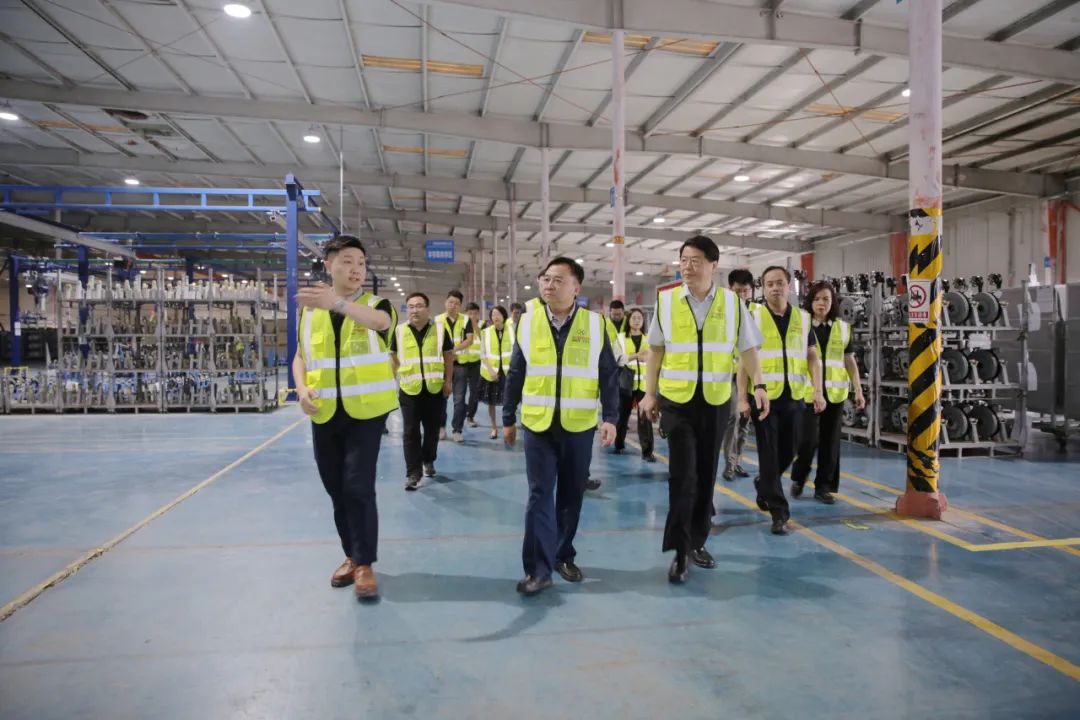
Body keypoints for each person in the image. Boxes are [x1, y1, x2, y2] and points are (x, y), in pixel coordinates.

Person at [641, 235, 769, 584]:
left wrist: (759, 386)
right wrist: (650, 394)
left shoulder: (732, 304)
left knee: (705, 475)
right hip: (677, 402)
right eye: (683, 260)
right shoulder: (666, 302)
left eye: (695, 260)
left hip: (714, 402)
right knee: (683, 476)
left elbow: (748, 349)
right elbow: (656, 350)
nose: (687, 266)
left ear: (714, 264)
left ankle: (698, 540)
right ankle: (680, 551)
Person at [503, 257, 619, 596]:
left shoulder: (595, 325)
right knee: (539, 495)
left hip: (578, 426)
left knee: (571, 495)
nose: (549, 285)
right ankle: (538, 570)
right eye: (545, 279)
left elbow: (608, 373)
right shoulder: (527, 322)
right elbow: (516, 372)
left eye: (558, 280)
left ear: (576, 287)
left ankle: (562, 554)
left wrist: (611, 418)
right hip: (538, 425)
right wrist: (508, 417)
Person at [292, 235, 397, 600]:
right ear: (329, 264)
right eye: (348, 261)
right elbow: (300, 355)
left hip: (365, 413)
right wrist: (301, 388)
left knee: (357, 485)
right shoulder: (310, 312)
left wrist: (336, 303)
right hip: (324, 412)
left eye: (361, 264)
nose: (356, 270)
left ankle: (365, 564)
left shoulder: (376, 304)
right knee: (336, 488)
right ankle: (351, 555)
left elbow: (381, 323)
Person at [737, 266, 825, 536]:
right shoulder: (752, 317)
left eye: (780, 283)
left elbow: (813, 358)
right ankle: (779, 512)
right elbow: (743, 362)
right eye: (769, 284)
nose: (775, 288)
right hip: (764, 397)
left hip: (795, 396)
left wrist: (818, 390)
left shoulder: (803, 318)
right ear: (763, 288)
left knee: (792, 447)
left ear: (789, 286)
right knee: (768, 452)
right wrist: (742, 398)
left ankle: (765, 482)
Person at [790, 281, 865, 504]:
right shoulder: (801, 326)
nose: (821, 303)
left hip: (835, 393)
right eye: (817, 299)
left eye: (826, 299)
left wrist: (858, 389)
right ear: (810, 302)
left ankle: (823, 486)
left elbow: (849, 360)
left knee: (830, 443)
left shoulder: (843, 328)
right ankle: (799, 477)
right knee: (808, 440)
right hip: (808, 393)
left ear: (833, 302)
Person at [389, 292, 454, 491]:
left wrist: (448, 381)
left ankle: (428, 459)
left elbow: (448, 357)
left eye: (418, 306)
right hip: (409, 389)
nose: (414, 310)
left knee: (432, 430)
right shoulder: (399, 331)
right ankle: (413, 473)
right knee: (410, 432)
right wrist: (394, 380)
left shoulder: (440, 330)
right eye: (410, 306)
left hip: (434, 389)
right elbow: (393, 357)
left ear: (427, 309)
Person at [721, 269, 756, 481]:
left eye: (745, 291)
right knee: (733, 418)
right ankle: (730, 464)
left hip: (754, 374)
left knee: (745, 421)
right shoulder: (724, 313)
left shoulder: (758, 312)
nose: (742, 295)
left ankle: (738, 460)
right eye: (737, 291)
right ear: (730, 289)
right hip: (733, 374)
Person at [613, 307, 654, 461]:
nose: (637, 320)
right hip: (626, 382)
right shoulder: (620, 339)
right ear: (628, 320)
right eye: (634, 318)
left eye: (639, 318)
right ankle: (619, 444)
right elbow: (616, 358)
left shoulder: (649, 339)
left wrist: (649, 357)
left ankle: (647, 452)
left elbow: (655, 360)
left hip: (643, 384)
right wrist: (636, 355)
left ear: (643, 321)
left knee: (645, 418)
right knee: (622, 416)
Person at [435, 291, 475, 442]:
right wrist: (446, 354)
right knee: (441, 398)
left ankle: (457, 429)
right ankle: (441, 427)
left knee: (459, 399)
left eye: (457, 303)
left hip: (460, 364)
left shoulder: (466, 320)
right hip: (442, 364)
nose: (453, 305)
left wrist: (453, 350)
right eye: (450, 302)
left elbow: (469, 339)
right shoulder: (437, 320)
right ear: (445, 303)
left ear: (460, 306)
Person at [480, 305, 513, 440]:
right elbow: (482, 354)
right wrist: (491, 371)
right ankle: (494, 427)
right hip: (491, 372)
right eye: (493, 314)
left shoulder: (512, 330)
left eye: (498, 314)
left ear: (504, 316)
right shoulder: (486, 332)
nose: (495, 317)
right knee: (491, 402)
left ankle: (507, 427)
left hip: (508, 372)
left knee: (509, 402)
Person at [460, 302, 484, 428]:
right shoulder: (460, 325)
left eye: (475, 313)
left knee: (475, 392)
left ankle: (470, 416)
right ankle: (464, 410)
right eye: (470, 313)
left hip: (477, 363)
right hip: (461, 363)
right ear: (465, 314)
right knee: (460, 392)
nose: (472, 316)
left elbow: (485, 340)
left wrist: (475, 326)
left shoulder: (483, 325)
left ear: (479, 314)